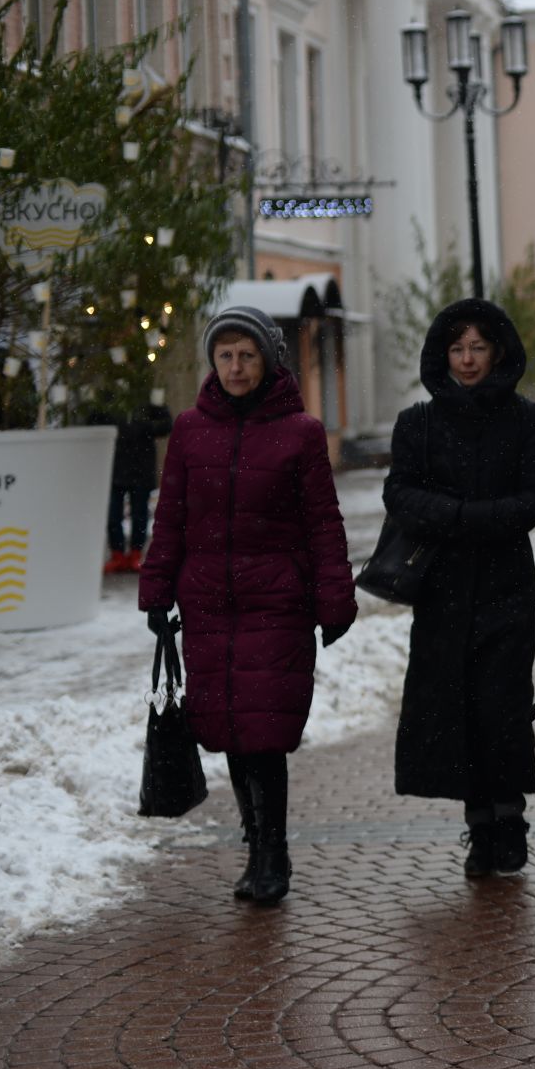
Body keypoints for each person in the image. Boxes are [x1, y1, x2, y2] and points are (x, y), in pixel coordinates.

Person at [138, 307, 357, 906]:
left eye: (247, 355)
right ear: (213, 361)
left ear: (268, 361)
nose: (235, 367)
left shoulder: (301, 433)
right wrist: (156, 590)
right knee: (229, 729)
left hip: (276, 602)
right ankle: (254, 839)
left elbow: (323, 523)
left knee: (265, 731)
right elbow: (172, 518)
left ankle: (271, 852)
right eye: (225, 355)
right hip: (207, 602)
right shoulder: (189, 430)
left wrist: (335, 597)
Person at [385, 299, 535, 875]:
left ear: (498, 350)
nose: (466, 359)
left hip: (507, 583)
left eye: (477, 347)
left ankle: (510, 820)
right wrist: (464, 517)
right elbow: (400, 494)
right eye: (457, 348)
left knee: (501, 706)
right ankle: (478, 826)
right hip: (441, 589)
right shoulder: (418, 423)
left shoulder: (525, 418)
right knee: (451, 706)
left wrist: (475, 519)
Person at [94, 392, 173, 573]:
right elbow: (96, 420)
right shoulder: (110, 397)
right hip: (116, 465)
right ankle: (118, 553)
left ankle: (136, 553)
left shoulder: (149, 398)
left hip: (140, 467)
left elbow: (166, 425)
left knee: (139, 513)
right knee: (114, 513)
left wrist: (145, 426)